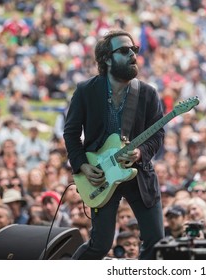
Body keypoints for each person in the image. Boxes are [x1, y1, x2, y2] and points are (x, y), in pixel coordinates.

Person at [63, 29, 165, 260]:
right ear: (106, 59)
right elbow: (71, 133)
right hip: (99, 174)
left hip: (137, 174)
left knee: (156, 241)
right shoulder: (86, 90)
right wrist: (82, 166)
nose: (132, 54)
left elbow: (158, 135)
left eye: (134, 49)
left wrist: (140, 152)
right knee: (100, 245)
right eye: (124, 50)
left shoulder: (147, 93)